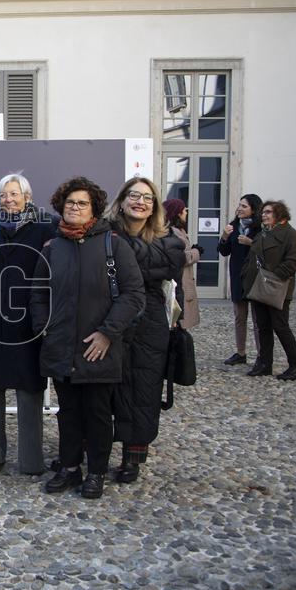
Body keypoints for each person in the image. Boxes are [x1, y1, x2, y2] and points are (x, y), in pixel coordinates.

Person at [30, 177, 144, 499]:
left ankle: (96, 472)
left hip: (99, 348)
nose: (75, 208)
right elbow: (38, 293)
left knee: (96, 414)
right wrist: (44, 328)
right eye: (70, 203)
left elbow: (134, 295)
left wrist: (107, 333)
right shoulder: (52, 248)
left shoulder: (113, 244)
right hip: (62, 346)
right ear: (60, 207)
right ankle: (69, 467)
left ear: (93, 207)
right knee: (68, 412)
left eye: (82, 203)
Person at [0, 173, 58, 476]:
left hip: (28, 322)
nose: (8, 199)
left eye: (14, 194)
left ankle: (31, 460)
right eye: (3, 195)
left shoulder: (47, 228)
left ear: (28, 198)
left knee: (29, 391)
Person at [104, 177, 185, 486]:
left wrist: (120, 256)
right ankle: (94, 446)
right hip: (110, 316)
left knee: (144, 391)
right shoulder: (105, 234)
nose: (140, 202)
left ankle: (132, 457)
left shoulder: (169, 240)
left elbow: (165, 265)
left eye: (148, 198)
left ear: (155, 207)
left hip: (150, 323)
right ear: (122, 200)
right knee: (106, 387)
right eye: (134, 196)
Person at [241, 200, 296, 380]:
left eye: (268, 212)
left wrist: (276, 275)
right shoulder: (264, 233)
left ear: (279, 214)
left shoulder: (290, 235)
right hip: (259, 287)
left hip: (277, 289)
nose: (264, 215)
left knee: (281, 326)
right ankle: (264, 364)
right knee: (263, 326)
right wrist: (246, 275)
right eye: (263, 212)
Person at [217, 194, 263, 365]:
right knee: (239, 317)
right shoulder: (234, 226)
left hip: (255, 278)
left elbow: (267, 252)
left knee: (259, 320)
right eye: (239, 205)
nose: (240, 209)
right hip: (238, 278)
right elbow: (223, 251)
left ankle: (262, 355)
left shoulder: (261, 228)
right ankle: (240, 352)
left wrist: (251, 243)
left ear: (253, 209)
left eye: (244, 206)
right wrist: (224, 236)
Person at [163, 198, 202, 330]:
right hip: (179, 282)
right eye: (184, 210)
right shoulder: (173, 233)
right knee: (178, 324)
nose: (186, 213)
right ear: (177, 213)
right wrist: (196, 252)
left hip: (182, 282)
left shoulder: (177, 231)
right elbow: (180, 258)